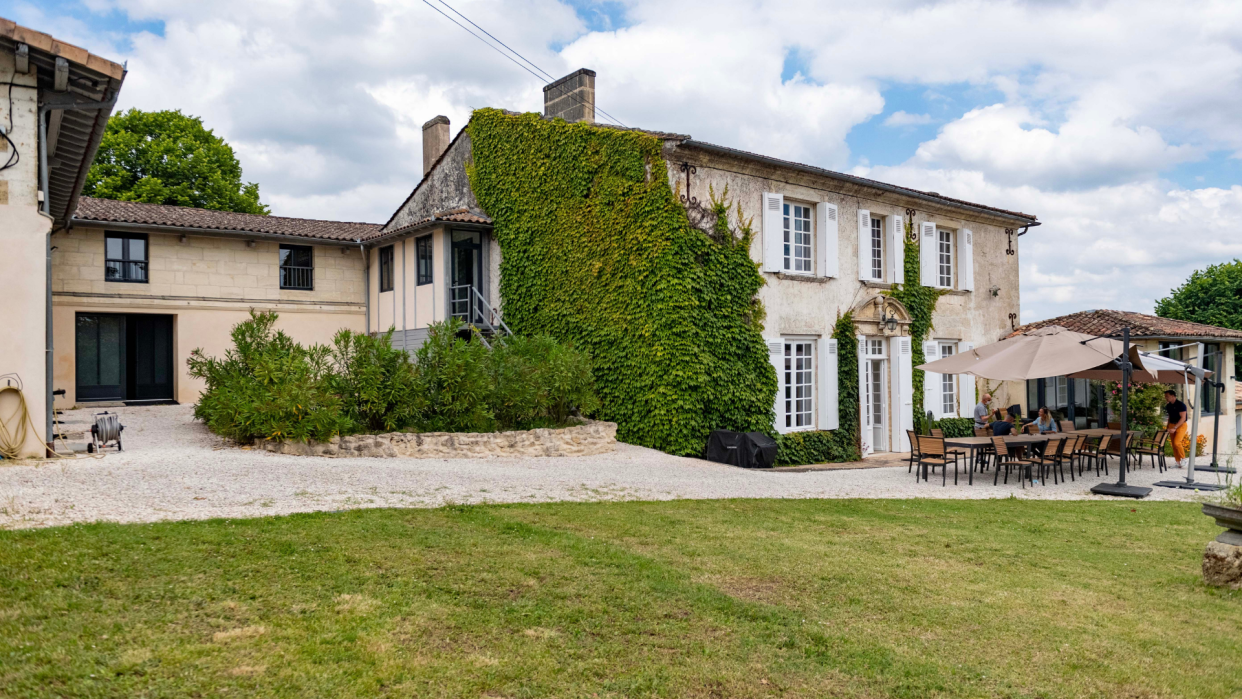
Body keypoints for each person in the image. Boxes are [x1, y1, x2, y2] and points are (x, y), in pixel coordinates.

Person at [1164, 389, 1189, 468]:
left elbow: (1183, 418)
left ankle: (1183, 459)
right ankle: (1177, 462)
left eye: (1167, 396)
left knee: (1177, 442)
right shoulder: (1168, 406)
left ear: (1172, 396)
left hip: (1181, 425)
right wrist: (1168, 427)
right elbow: (1169, 417)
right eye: (1165, 397)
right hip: (1172, 424)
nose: (1166, 398)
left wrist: (1175, 427)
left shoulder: (1181, 405)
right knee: (1174, 445)